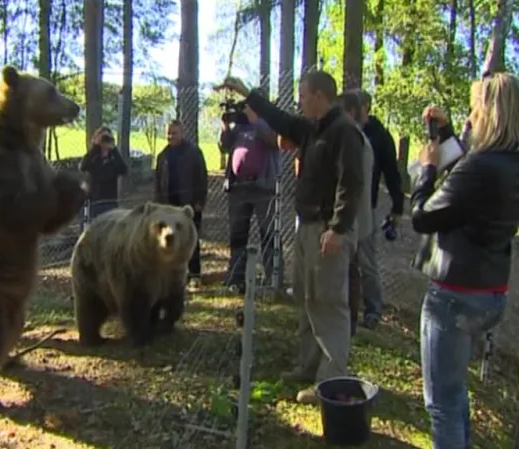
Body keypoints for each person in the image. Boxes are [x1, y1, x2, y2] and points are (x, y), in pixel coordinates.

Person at [215, 71, 365, 404]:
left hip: (328, 231)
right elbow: (278, 119)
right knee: (308, 298)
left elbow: (351, 185)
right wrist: (245, 92)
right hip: (308, 226)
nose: (299, 101)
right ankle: (308, 366)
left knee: (329, 303)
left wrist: (338, 229)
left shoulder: (344, 132)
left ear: (320, 96)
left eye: (303, 94)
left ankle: (332, 382)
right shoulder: (312, 128)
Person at [411, 72, 519, 449]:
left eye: (474, 109)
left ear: (489, 113)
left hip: (453, 297)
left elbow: (423, 216)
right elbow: (467, 185)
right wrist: (447, 134)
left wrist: (426, 170)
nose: (470, 117)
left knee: (442, 405)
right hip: (490, 292)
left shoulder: (479, 167)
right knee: (456, 392)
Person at [351, 89, 405, 330]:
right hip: (340, 205)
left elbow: (392, 174)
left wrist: (398, 206)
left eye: (356, 106)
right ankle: (347, 309)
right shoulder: (342, 129)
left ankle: (373, 310)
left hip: (365, 208)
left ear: (366, 107)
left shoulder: (380, 136)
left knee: (366, 261)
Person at [218, 102, 280, 294]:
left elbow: (272, 140)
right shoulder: (240, 127)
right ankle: (236, 278)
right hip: (238, 188)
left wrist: (255, 117)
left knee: (268, 234)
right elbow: (225, 146)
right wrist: (225, 126)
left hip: (262, 188)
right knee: (237, 235)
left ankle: (272, 279)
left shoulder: (269, 123)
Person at [336, 91, 375, 337]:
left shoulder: (356, 140)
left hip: (353, 220)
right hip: (354, 219)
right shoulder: (353, 138)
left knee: (350, 272)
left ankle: (347, 325)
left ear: (350, 112)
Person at [154, 120, 209, 291]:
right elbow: (158, 183)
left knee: (190, 241)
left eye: (174, 133)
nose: (171, 136)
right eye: (169, 133)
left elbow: (202, 178)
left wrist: (199, 202)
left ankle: (194, 276)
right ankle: (171, 277)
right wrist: (158, 206)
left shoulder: (194, 153)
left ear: (182, 132)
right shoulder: (162, 156)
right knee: (168, 242)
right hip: (168, 206)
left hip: (189, 205)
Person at [80, 126, 128, 220]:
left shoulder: (113, 159)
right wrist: (95, 147)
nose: (104, 143)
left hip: (110, 201)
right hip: (94, 202)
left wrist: (114, 149)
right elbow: (83, 166)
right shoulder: (93, 159)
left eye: (107, 139)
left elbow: (124, 169)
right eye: (103, 139)